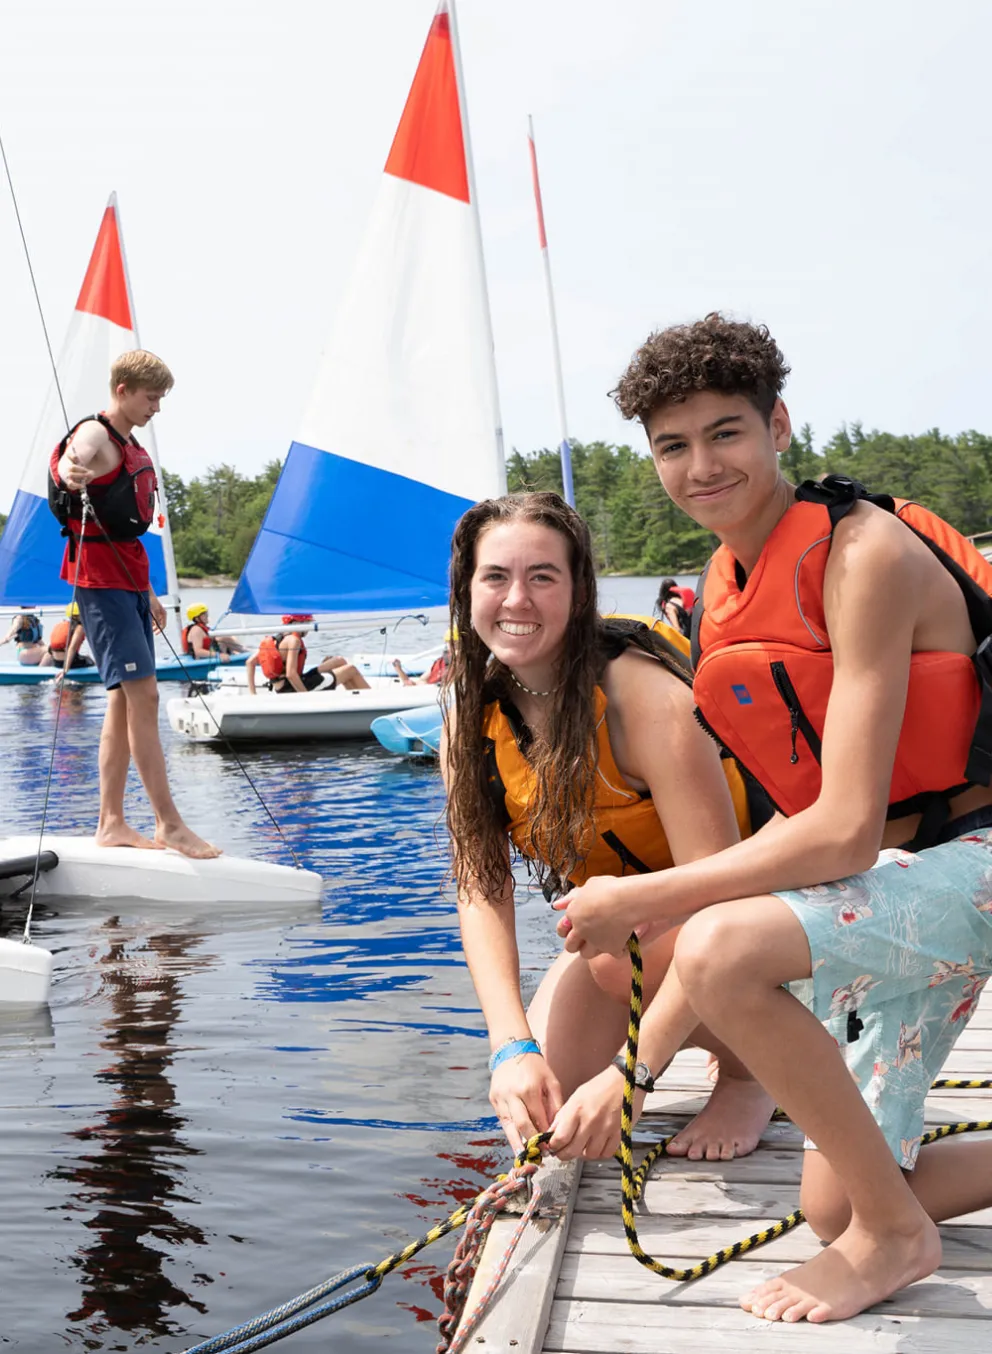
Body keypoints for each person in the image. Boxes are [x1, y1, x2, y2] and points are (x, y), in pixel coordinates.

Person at [555, 313, 992, 1324]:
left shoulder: (861, 555)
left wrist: (640, 894)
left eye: (724, 432)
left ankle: (896, 1240)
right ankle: (877, 1219)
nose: (700, 465)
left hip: (973, 860)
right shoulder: (720, 590)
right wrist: (634, 1072)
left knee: (715, 944)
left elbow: (838, 838)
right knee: (830, 1197)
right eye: (672, 444)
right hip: (916, 885)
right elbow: (806, 845)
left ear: (777, 425)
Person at [441, 491, 775, 1167]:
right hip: (616, 936)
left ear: (579, 587)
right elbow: (482, 889)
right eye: (495, 577)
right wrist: (511, 1047)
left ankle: (751, 1073)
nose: (517, 600)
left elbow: (724, 897)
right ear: (466, 589)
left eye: (543, 577)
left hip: (745, 924)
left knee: (607, 951)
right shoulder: (467, 720)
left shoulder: (646, 701)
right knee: (547, 1126)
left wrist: (635, 1073)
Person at [50, 350, 219, 858]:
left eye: (161, 398)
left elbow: (122, 522)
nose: (157, 407)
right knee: (144, 697)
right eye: (152, 397)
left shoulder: (131, 443)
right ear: (123, 389)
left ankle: (112, 823)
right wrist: (68, 470)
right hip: (99, 580)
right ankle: (169, 824)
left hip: (126, 577)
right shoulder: (98, 432)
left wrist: (146, 593)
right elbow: (74, 455)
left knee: (124, 700)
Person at [245, 616, 370, 694]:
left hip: (284, 687)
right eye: (307, 623)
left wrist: (252, 694)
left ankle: (355, 699)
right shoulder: (294, 641)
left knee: (339, 661)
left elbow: (250, 662)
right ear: (300, 624)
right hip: (294, 689)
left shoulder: (277, 639)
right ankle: (370, 703)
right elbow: (291, 674)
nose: (309, 628)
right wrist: (306, 698)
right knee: (350, 670)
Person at [181, 603, 245, 663]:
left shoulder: (201, 628)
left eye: (206, 613)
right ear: (197, 618)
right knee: (225, 639)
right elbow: (198, 651)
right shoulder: (196, 630)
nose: (207, 616)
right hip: (200, 659)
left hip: (210, 653)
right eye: (204, 614)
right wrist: (219, 655)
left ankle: (243, 652)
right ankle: (246, 653)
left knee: (225, 638)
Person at [39, 601, 94, 670]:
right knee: (89, 659)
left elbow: (52, 649)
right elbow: (72, 648)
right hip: (65, 663)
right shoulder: (79, 628)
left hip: (56, 662)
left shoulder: (61, 624)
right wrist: (65, 669)